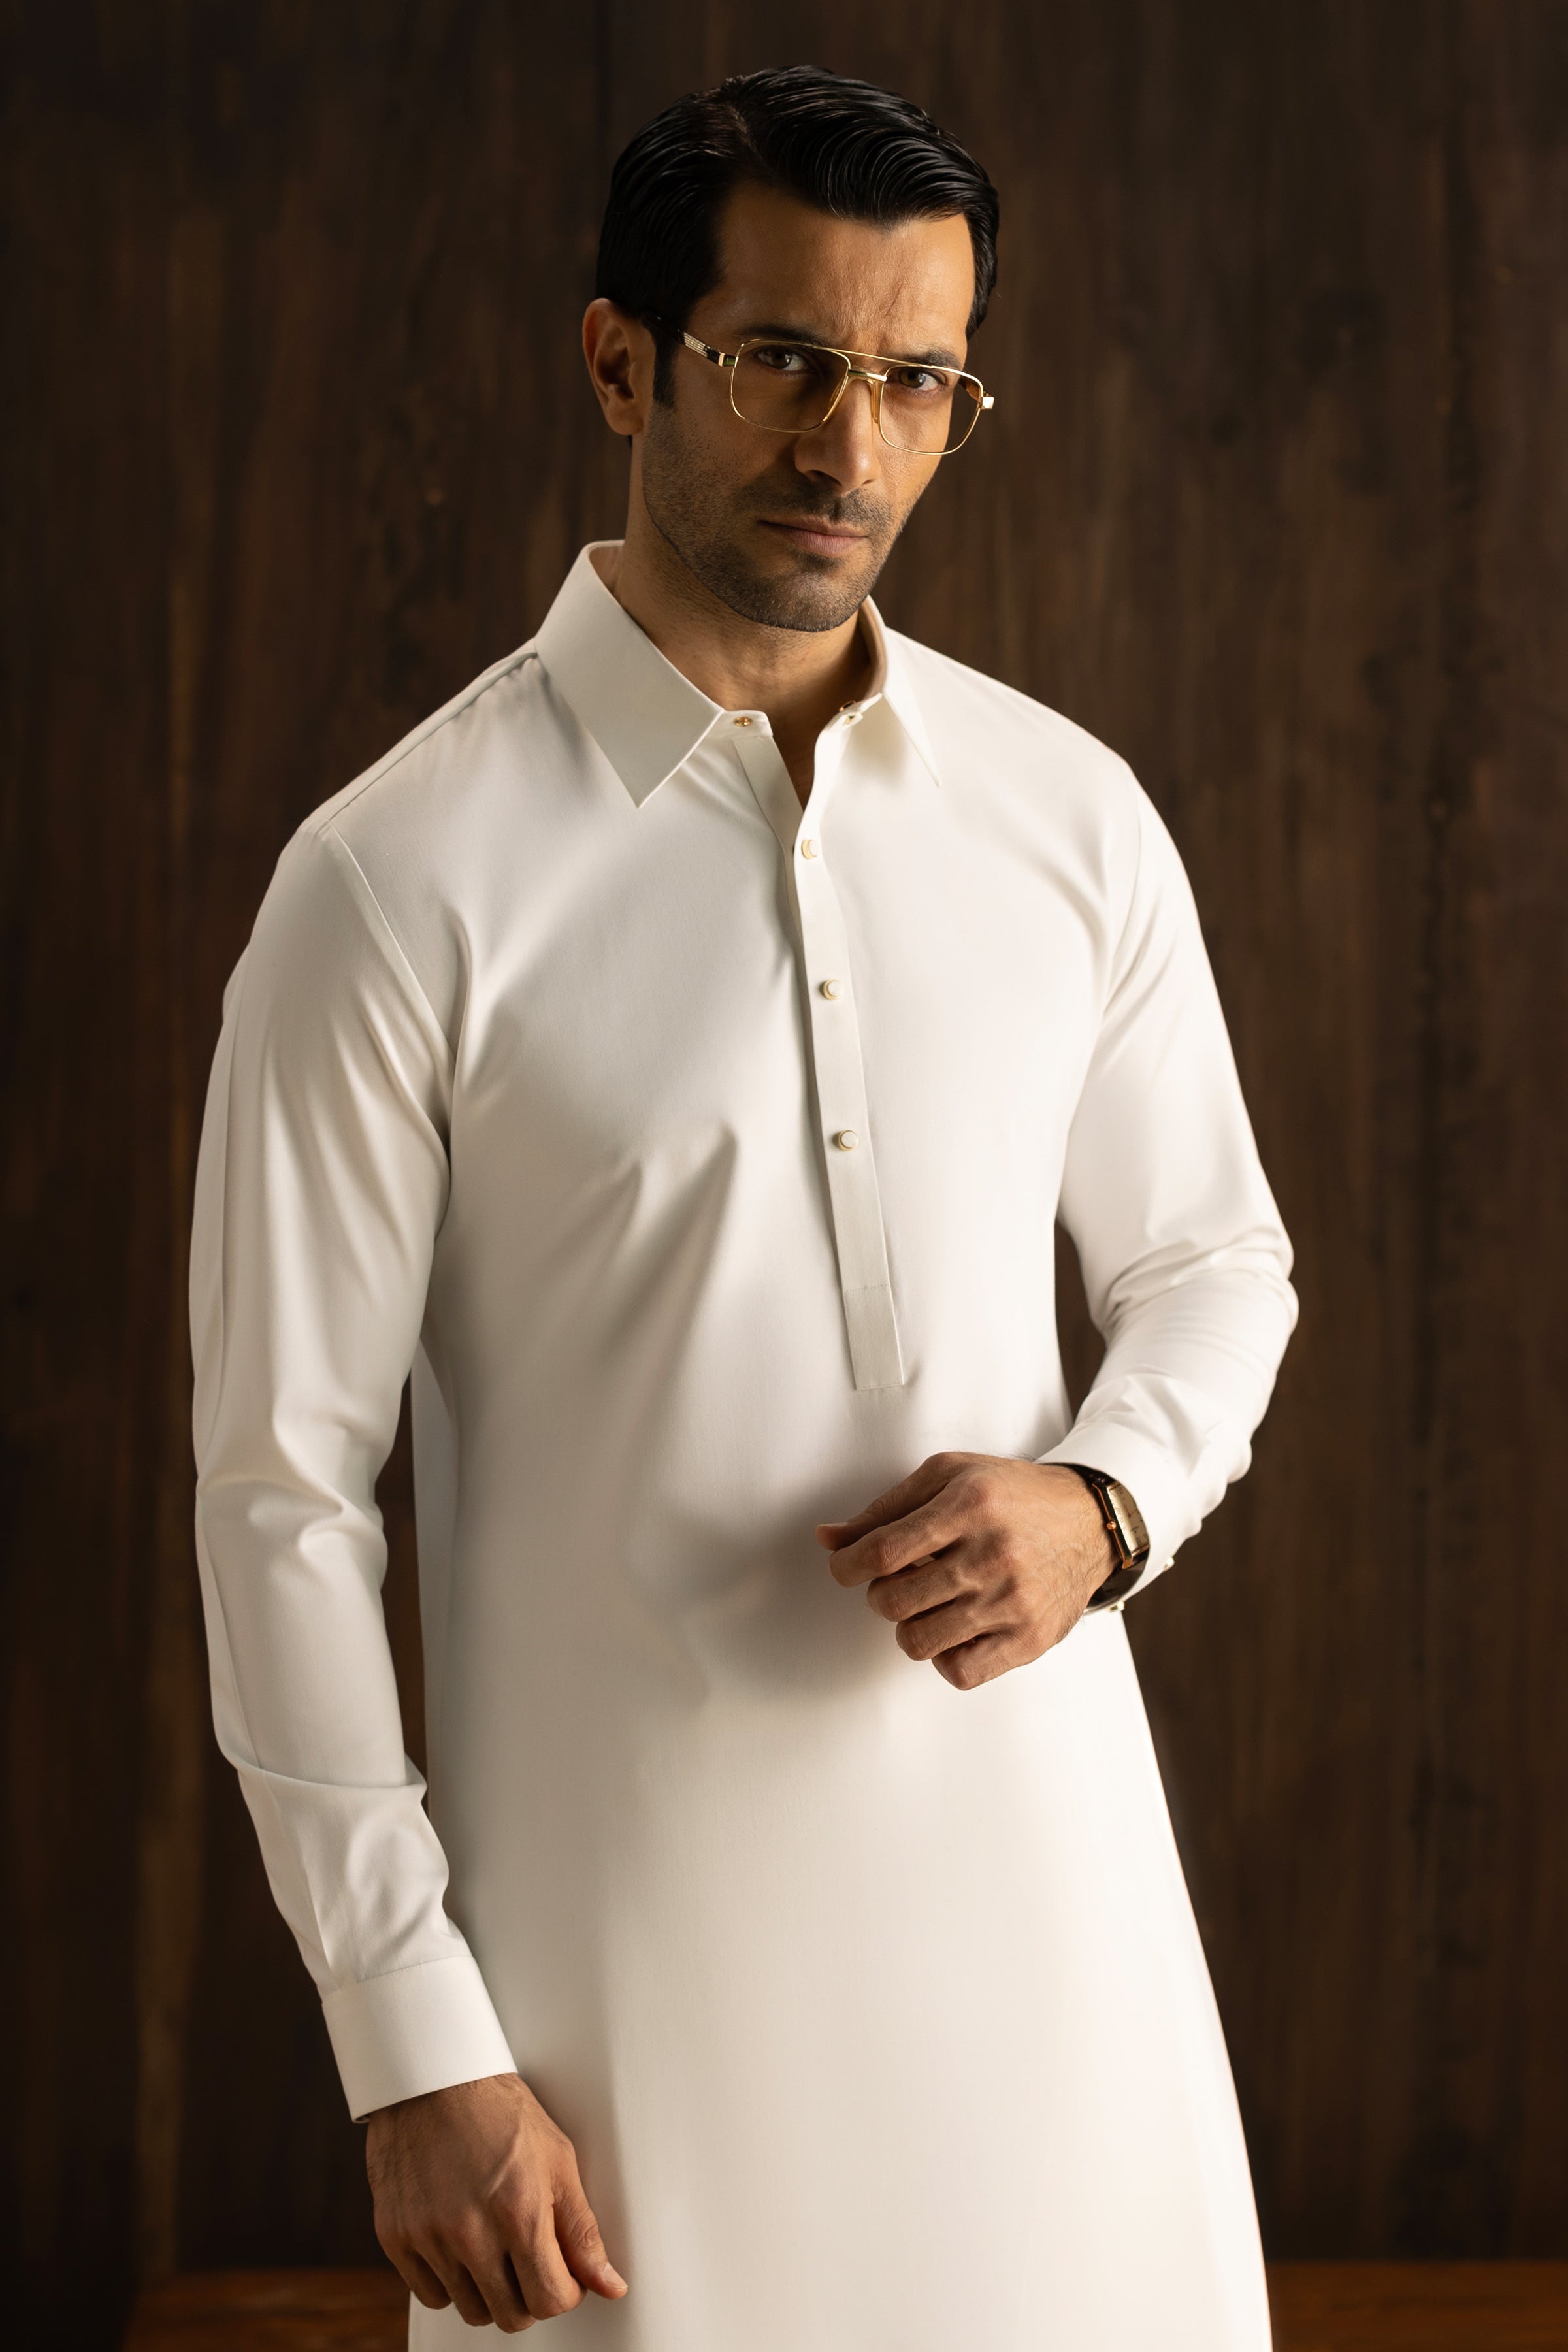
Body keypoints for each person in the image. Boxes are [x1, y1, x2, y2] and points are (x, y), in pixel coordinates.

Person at [191, 64, 1297, 2351]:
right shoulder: (392, 884)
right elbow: (279, 1498)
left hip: (1064, 1957)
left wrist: (1106, 1504)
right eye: (785, 360)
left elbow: (1212, 1264)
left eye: (917, 380)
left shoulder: (1067, 816)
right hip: (622, 2009)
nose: (852, 446)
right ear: (622, 363)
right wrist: (412, 2043)